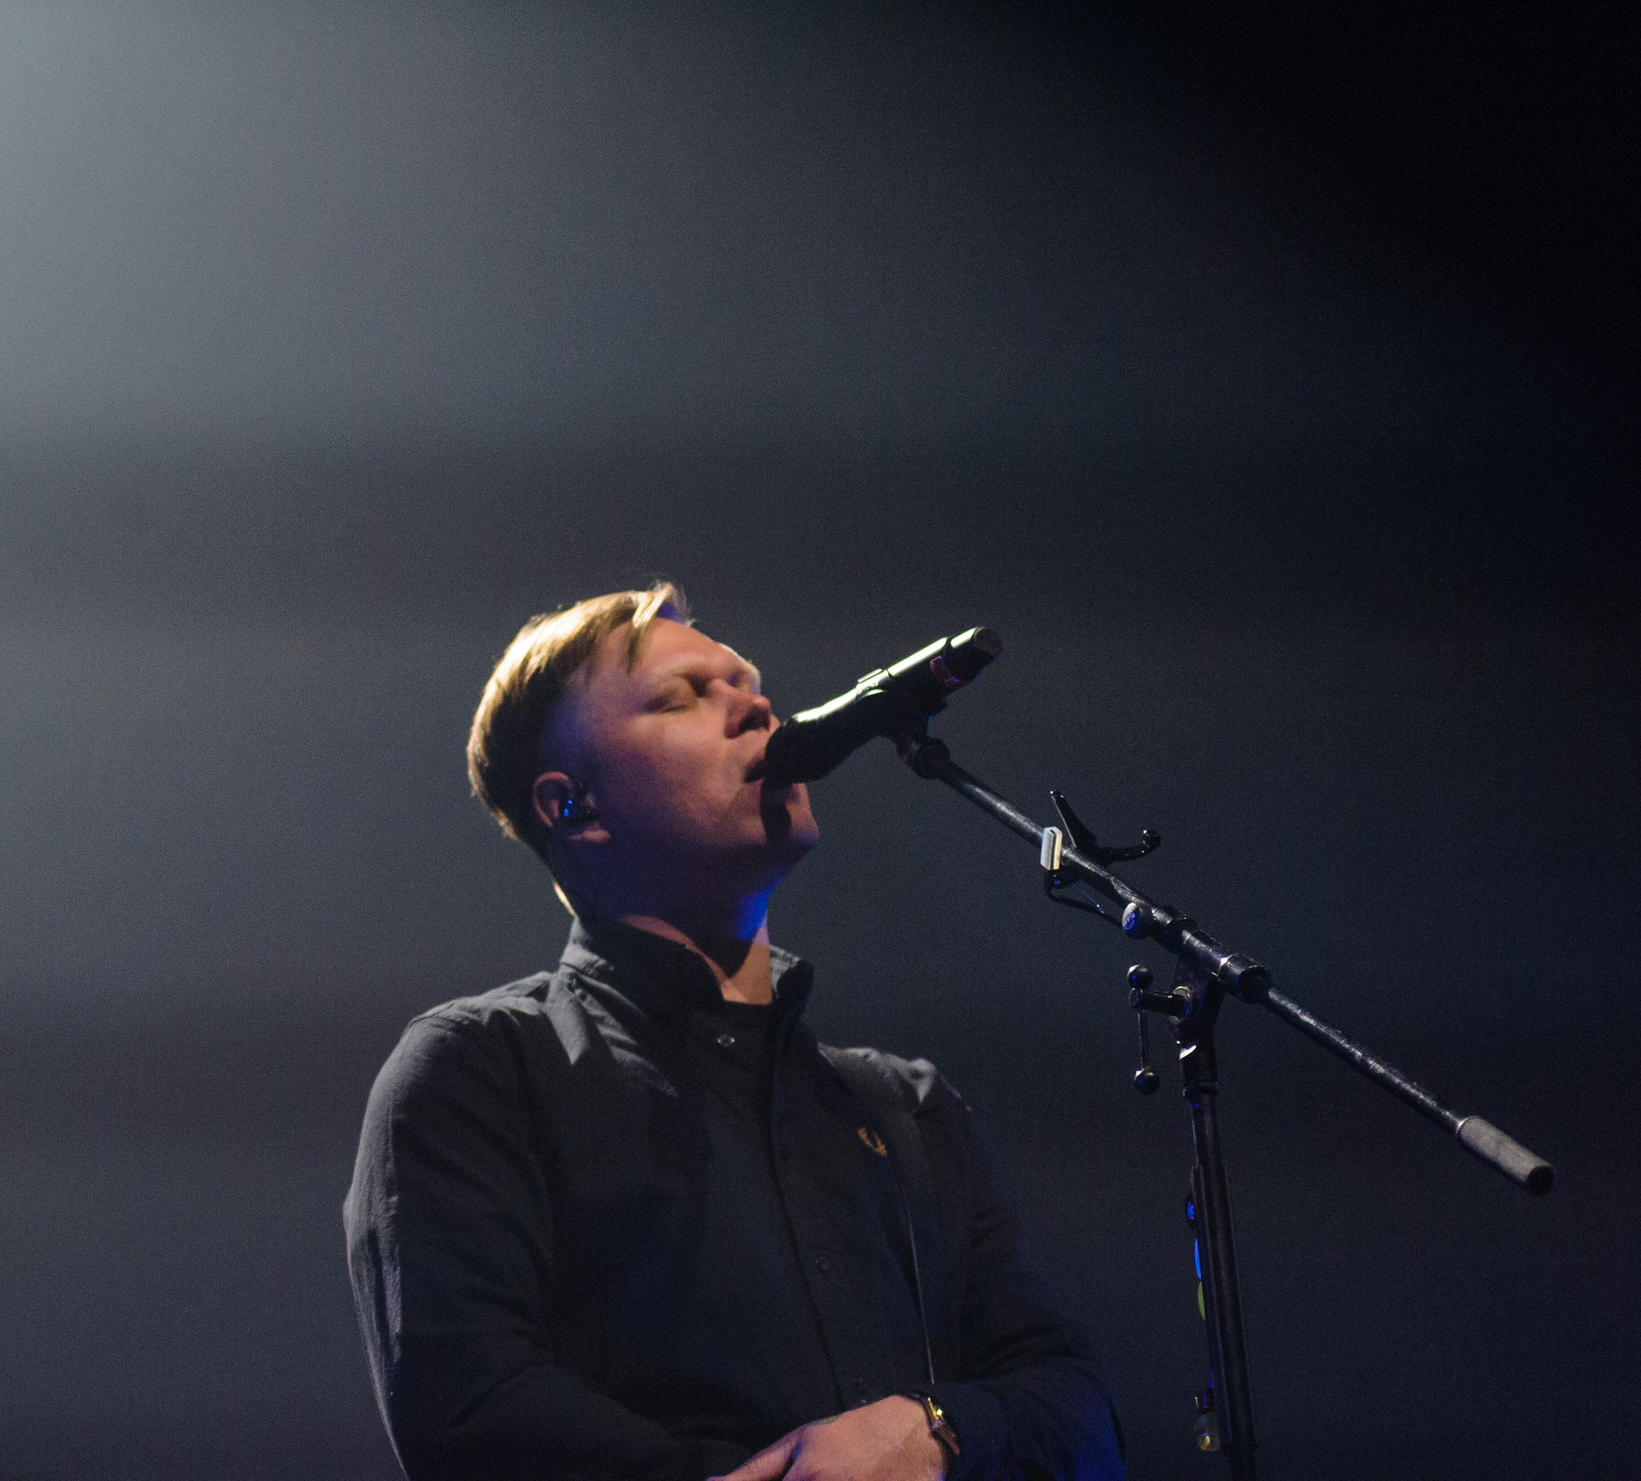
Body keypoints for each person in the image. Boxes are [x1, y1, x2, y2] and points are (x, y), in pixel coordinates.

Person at [343, 584, 1124, 1481]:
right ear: (573, 807)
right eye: (682, 697)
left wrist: (934, 1431)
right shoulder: (478, 1072)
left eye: (749, 684)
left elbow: (1080, 1413)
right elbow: (471, 1408)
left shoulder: (908, 1108)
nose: (756, 705)